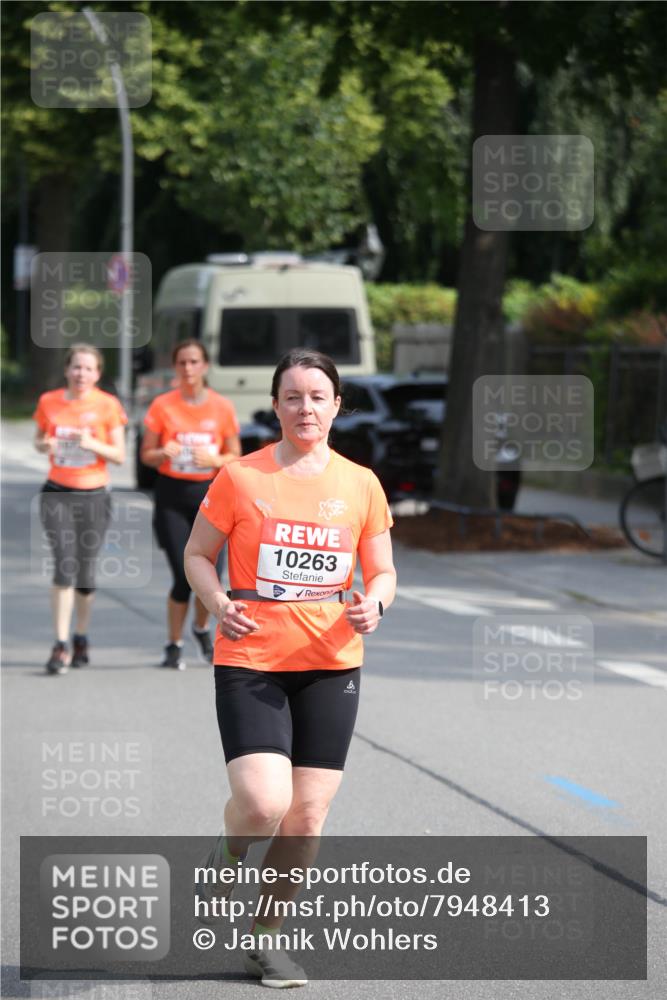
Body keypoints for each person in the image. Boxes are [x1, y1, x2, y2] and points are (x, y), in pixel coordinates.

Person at [184, 348, 396, 987]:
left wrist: (375, 603)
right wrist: (218, 602)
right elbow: (198, 555)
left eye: (318, 396)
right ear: (276, 406)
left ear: (337, 406)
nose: (306, 408)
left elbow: (383, 571)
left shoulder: (361, 483)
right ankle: (229, 849)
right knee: (262, 805)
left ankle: (266, 941)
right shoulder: (239, 477)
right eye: (293, 397)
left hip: (331, 660)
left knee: (305, 816)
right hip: (251, 656)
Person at [141, 339, 241, 669]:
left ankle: (200, 628)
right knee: (182, 576)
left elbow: (235, 456)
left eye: (194, 361)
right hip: (171, 496)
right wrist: (161, 453)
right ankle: (174, 643)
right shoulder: (162, 406)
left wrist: (215, 459)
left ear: (205, 366)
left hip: (211, 497)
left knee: (211, 576)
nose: (188, 368)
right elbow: (146, 455)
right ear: (175, 366)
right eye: (182, 362)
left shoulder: (222, 407)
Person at [33, 344, 127, 675]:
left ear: (97, 374)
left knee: (85, 571)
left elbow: (119, 455)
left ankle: (81, 635)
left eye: (88, 368)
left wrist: (92, 444)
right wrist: (44, 444)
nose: (81, 374)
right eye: (76, 367)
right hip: (56, 493)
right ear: (66, 370)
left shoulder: (108, 405)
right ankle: (60, 644)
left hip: (94, 496)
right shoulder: (49, 401)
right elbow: (38, 440)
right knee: (64, 565)